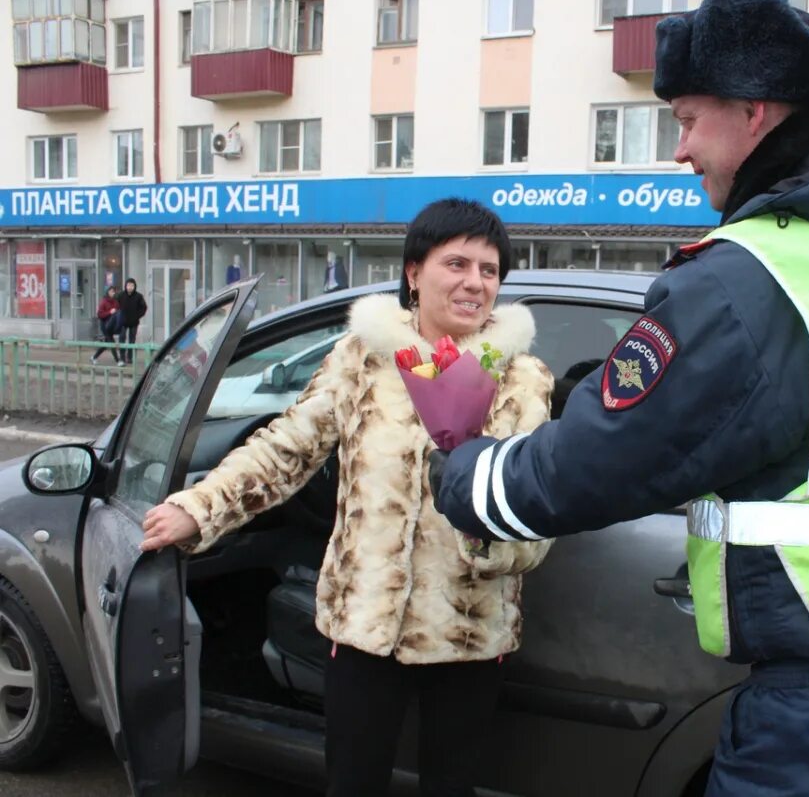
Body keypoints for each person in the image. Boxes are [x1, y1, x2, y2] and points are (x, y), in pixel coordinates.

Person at [428, 0, 809, 795]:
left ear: (753, 110)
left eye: (690, 119)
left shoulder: (749, 278)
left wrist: (464, 475)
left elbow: (598, 464)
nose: (681, 148)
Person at [138, 199, 555, 797]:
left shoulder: (519, 375)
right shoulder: (363, 358)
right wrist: (198, 507)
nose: (474, 283)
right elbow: (287, 448)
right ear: (415, 271)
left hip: (469, 625)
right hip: (365, 623)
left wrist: (490, 548)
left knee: (451, 788)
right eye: (457, 264)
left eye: (489, 270)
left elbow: (537, 496)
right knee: (352, 784)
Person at [115, 278, 147, 366]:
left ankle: (130, 357)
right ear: (125, 286)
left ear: (134, 286)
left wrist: (137, 316)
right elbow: (115, 305)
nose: (130, 287)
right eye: (128, 285)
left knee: (132, 340)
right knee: (122, 338)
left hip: (134, 321)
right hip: (123, 321)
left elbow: (144, 308)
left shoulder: (138, 296)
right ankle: (122, 357)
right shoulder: (121, 295)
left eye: (132, 286)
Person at [91, 285, 122, 365]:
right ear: (108, 292)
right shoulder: (104, 301)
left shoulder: (116, 302)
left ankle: (94, 357)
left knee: (106, 343)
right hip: (105, 325)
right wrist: (109, 312)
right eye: (111, 291)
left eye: (114, 291)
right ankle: (118, 360)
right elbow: (99, 314)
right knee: (111, 341)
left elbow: (118, 312)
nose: (113, 293)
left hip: (112, 325)